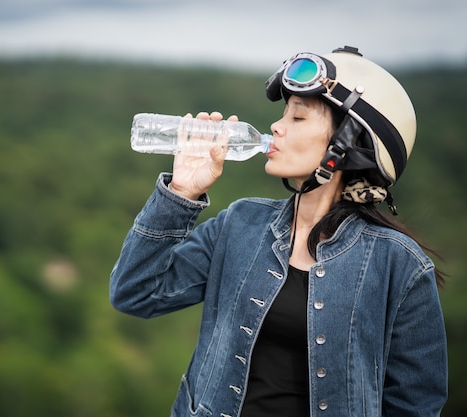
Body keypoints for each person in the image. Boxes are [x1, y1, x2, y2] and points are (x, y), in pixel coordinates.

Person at [110, 46, 448, 417]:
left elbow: (416, 404)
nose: (276, 126)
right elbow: (136, 293)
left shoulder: (400, 265)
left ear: (348, 145)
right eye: (283, 113)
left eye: (299, 118)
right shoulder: (239, 224)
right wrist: (181, 193)